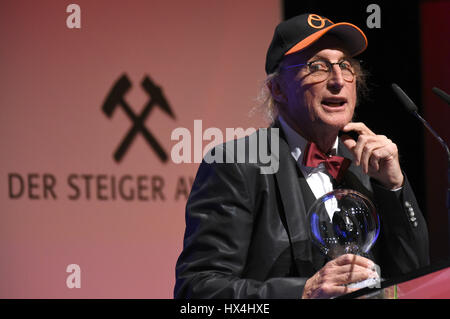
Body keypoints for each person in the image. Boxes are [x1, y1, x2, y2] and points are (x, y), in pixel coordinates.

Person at [174, 13, 429, 299]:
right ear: (277, 89)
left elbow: (412, 279)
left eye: (345, 66)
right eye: (317, 67)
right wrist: (303, 293)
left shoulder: (365, 165)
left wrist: (394, 188)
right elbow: (196, 292)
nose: (337, 80)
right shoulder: (236, 163)